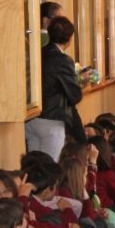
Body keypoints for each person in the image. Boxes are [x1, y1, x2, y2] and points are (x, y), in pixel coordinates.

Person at [26, 16, 85, 160]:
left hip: (31, 117)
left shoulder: (38, 53)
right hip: (51, 120)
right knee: (51, 167)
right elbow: (75, 96)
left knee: (36, 166)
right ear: (70, 39)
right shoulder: (62, 60)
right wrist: (81, 82)